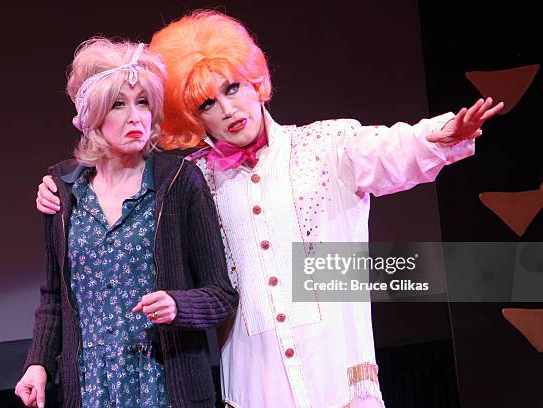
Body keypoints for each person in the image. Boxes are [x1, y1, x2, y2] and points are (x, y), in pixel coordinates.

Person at [36, 11, 504, 408]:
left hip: (336, 371)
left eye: (233, 88)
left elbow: (387, 151)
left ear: (255, 82)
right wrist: (61, 187)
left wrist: (441, 134)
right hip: (255, 378)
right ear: (192, 117)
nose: (227, 109)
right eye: (206, 103)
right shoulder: (191, 179)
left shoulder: (323, 146)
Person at [16, 37, 238, 408]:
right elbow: (55, 296)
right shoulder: (64, 191)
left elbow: (221, 295)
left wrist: (178, 306)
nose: (136, 117)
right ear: (92, 115)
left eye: (143, 103)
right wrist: (38, 363)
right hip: (91, 391)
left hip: (164, 390)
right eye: (118, 105)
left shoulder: (179, 182)